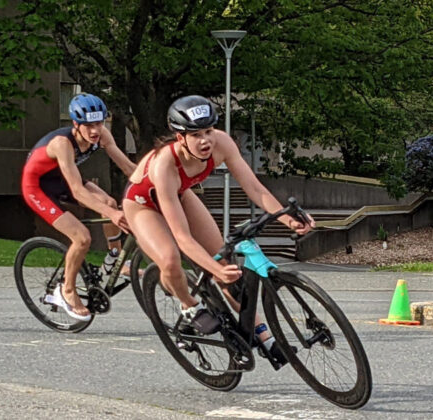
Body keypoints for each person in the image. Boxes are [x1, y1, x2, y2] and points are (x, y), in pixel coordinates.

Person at [122, 95, 315, 364]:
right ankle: (189, 306)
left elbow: (254, 187)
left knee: (226, 265)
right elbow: (182, 237)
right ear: (180, 137)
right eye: (196, 135)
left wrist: (286, 218)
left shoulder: (222, 143)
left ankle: (265, 338)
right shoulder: (164, 164)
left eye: (209, 131)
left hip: (180, 194)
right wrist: (214, 270)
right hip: (143, 205)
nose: (205, 141)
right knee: (170, 259)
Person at [21, 93, 136, 321]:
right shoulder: (62, 144)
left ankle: (114, 259)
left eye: (99, 124)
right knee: (82, 238)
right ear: (76, 124)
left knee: (109, 202)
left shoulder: (102, 135)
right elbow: (77, 191)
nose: (95, 131)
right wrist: (113, 215)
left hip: (63, 179)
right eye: (89, 126)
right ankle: (66, 290)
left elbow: (127, 167)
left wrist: (157, 187)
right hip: (38, 187)